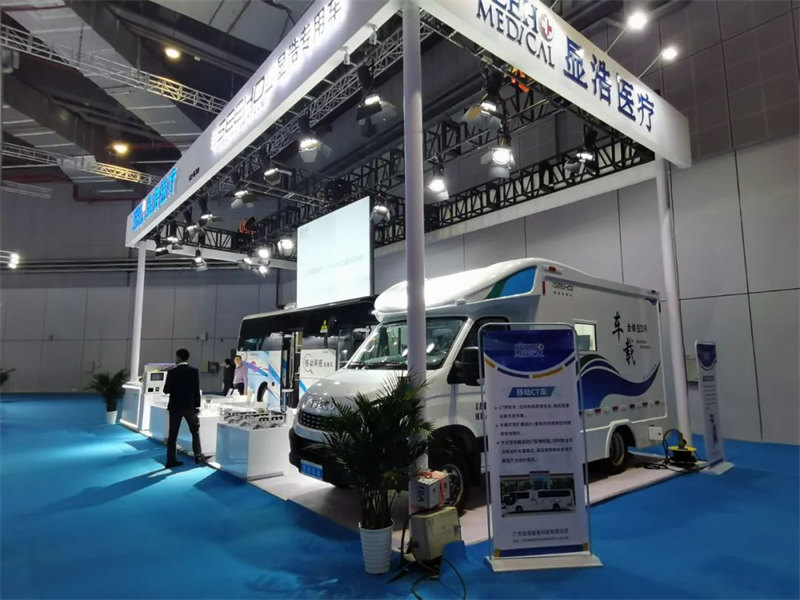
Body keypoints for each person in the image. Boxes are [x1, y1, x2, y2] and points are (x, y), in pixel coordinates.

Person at [163, 348, 209, 468]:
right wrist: (197, 406)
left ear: (179, 357)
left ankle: (171, 460)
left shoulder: (172, 372)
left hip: (175, 407)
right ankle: (198, 456)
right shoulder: (194, 371)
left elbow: (166, 390)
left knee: (173, 435)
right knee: (195, 431)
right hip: (189, 407)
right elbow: (196, 390)